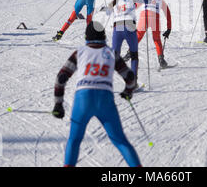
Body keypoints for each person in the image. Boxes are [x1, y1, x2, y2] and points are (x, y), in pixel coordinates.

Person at [52, 21, 142, 167]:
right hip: (104, 99)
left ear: (86, 36)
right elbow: (130, 78)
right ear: (104, 36)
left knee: (74, 140)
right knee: (120, 141)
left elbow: (61, 77)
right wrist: (128, 91)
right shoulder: (111, 53)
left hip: (83, 99)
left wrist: (58, 104)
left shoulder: (80, 52)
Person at [107, 0, 147, 82]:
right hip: (129, 26)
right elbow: (148, 1)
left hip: (117, 27)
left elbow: (106, 10)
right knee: (134, 54)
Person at [130, 0, 172, 69]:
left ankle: (128, 53)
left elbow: (134, 6)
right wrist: (168, 29)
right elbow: (168, 14)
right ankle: (161, 60)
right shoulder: (161, 1)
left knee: (138, 36)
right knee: (157, 39)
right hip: (155, 18)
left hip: (144, 17)